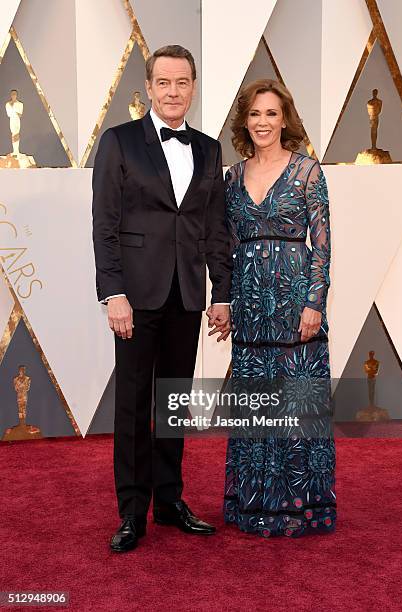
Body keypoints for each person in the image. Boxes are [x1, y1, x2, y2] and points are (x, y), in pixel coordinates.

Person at [92, 45, 232, 552]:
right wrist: (114, 293)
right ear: (149, 88)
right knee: (132, 406)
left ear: (192, 88)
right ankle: (132, 512)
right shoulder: (119, 143)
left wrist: (223, 294)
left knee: (173, 402)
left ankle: (169, 500)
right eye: (164, 83)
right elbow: (104, 227)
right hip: (134, 295)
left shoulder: (210, 149)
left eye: (182, 83)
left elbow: (215, 228)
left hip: (187, 295)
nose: (173, 92)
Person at [222, 79, 336, 537]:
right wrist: (224, 302)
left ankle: (300, 508)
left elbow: (323, 247)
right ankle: (253, 506)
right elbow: (225, 247)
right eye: (254, 114)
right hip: (250, 308)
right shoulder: (231, 178)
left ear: (284, 119)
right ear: (244, 121)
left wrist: (314, 303)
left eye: (271, 114)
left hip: (295, 311)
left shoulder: (309, 171)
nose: (262, 122)